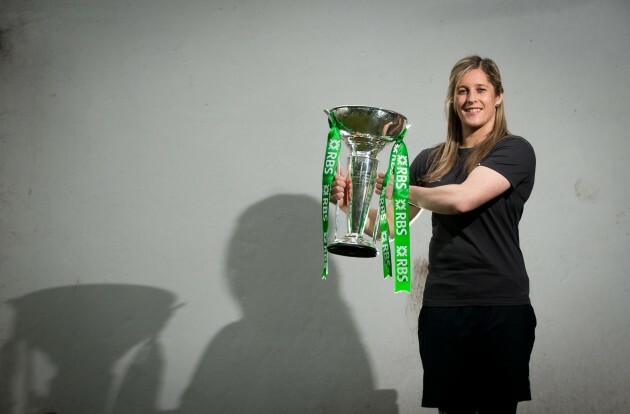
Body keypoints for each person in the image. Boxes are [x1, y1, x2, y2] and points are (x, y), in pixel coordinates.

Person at [330, 55, 536, 414]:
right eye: (462, 91)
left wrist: (402, 190)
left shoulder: (514, 150)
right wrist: (353, 207)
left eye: (481, 89)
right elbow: (393, 225)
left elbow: (463, 199)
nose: (471, 98)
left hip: (499, 305)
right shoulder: (431, 159)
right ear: (452, 99)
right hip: (442, 305)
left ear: (498, 96)